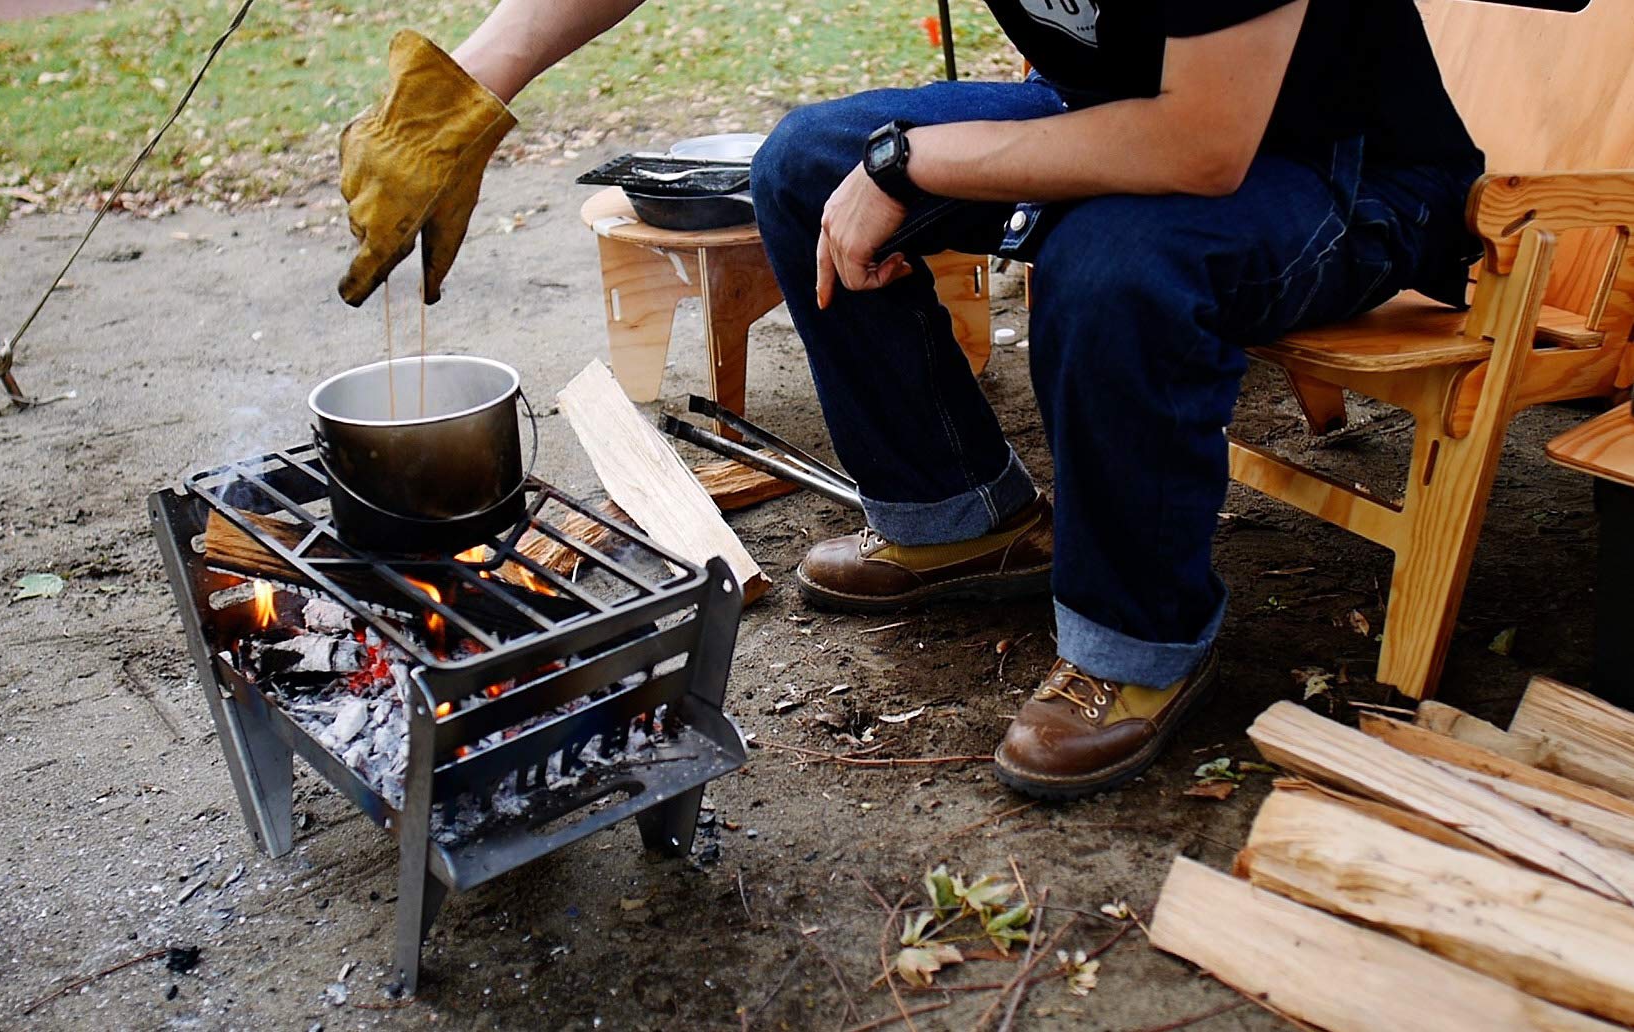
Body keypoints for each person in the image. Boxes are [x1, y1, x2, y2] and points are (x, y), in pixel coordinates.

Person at [337, 1, 1483, 800]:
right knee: (797, 166)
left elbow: (1198, 151)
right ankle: (964, 522)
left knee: (1115, 262)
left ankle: (1138, 639)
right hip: (1113, 109)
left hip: (1334, 167)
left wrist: (907, 165)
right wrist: (465, 87)